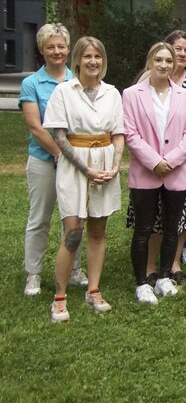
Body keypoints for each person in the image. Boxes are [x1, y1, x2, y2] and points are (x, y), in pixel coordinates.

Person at [43, 36, 125, 322]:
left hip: (104, 165)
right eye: (88, 56)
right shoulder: (64, 92)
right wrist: (86, 169)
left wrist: (114, 166)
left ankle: (93, 289)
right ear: (77, 59)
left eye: (98, 57)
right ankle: (60, 297)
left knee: (98, 230)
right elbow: (59, 135)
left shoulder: (112, 93)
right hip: (75, 166)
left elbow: (118, 134)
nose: (93, 62)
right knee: (73, 232)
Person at [137, 31, 186, 283]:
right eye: (177, 49)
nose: (181, 54)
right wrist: (156, 161)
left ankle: (174, 262)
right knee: (155, 219)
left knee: (182, 218)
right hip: (153, 164)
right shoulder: (148, 80)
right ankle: (150, 266)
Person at [123, 42, 186, 304]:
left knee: (171, 227)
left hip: (176, 173)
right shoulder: (132, 94)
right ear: (150, 62)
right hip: (146, 171)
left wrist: (173, 160)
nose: (165, 65)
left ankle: (164, 276)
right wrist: (155, 161)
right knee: (143, 229)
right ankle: (142, 282)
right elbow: (130, 134)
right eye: (159, 60)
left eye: (169, 60)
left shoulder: (184, 97)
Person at [19, 24, 88, 296]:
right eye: (51, 46)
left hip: (75, 162)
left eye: (61, 46)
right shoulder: (32, 84)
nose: (56, 51)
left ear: (68, 49)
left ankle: (74, 270)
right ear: (42, 50)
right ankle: (33, 274)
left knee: (74, 218)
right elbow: (36, 127)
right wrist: (60, 154)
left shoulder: (78, 79)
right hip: (44, 160)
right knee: (40, 218)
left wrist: (74, 157)